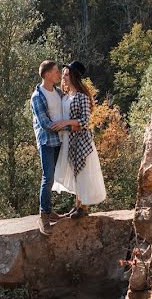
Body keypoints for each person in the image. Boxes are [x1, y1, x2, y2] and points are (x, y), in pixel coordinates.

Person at [51, 61, 106, 217]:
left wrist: (66, 122)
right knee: (76, 171)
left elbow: (85, 121)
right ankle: (77, 205)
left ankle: (84, 208)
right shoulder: (65, 96)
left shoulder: (82, 97)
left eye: (67, 74)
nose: (64, 77)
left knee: (82, 172)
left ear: (74, 76)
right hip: (68, 139)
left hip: (81, 139)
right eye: (63, 74)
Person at [30, 60, 73, 234]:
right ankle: (44, 216)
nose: (58, 74)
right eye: (56, 72)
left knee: (54, 177)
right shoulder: (37, 96)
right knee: (47, 177)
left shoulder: (57, 92)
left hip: (60, 140)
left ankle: (50, 210)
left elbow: (66, 109)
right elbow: (46, 124)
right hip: (47, 141)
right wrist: (70, 126)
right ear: (47, 74)